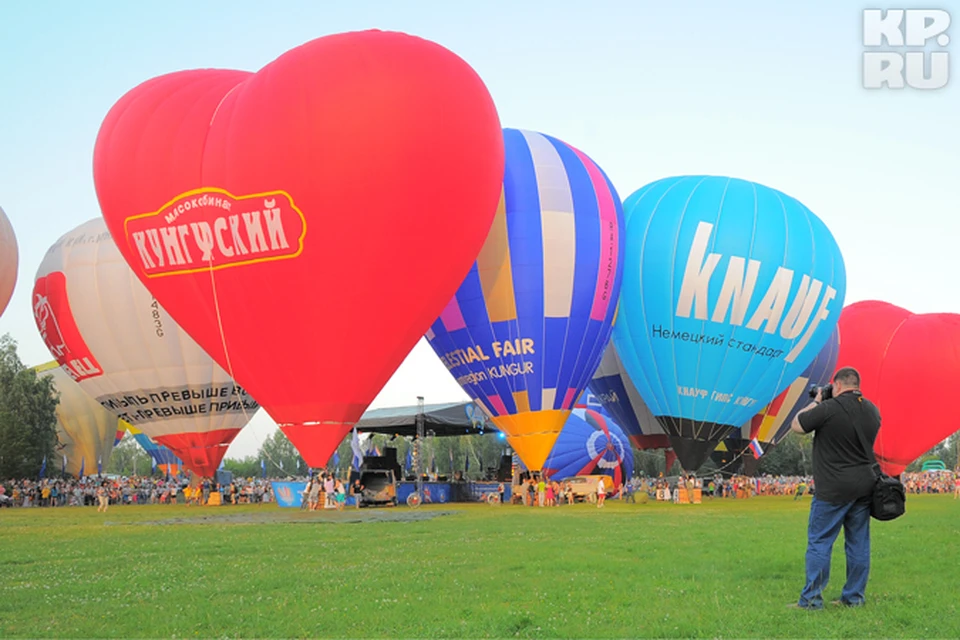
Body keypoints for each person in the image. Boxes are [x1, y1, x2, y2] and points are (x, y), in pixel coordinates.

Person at [789, 367, 881, 609]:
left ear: (837, 385)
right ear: (857, 385)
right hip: (864, 487)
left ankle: (811, 600)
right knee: (858, 543)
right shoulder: (873, 411)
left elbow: (797, 425)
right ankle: (854, 598)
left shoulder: (828, 409)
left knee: (820, 542)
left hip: (832, 488)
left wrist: (818, 400)